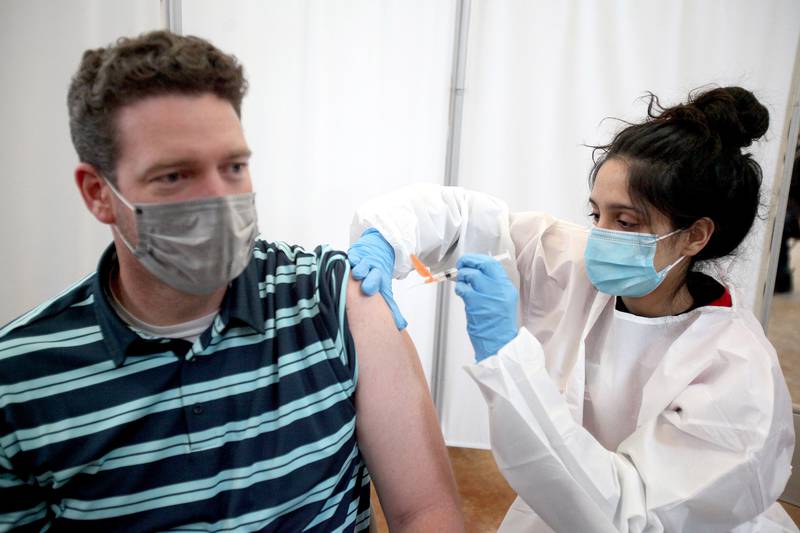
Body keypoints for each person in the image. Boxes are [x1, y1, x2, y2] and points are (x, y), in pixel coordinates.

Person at [0, 31, 464, 532]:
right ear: (98, 193)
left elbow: (426, 512)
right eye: (175, 175)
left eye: (234, 166)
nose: (220, 200)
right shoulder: (20, 381)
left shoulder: (333, 302)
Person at [349, 87, 797, 532]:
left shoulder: (737, 373)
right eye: (596, 214)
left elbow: (627, 517)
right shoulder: (575, 265)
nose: (600, 237)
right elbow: (465, 219)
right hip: (554, 508)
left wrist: (508, 359)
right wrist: (387, 237)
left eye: (625, 221)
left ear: (695, 235)